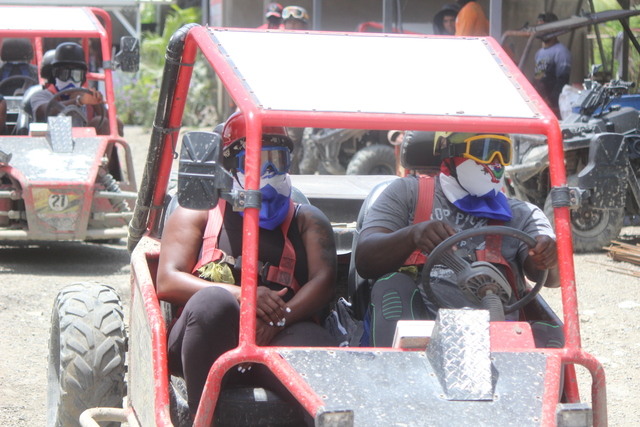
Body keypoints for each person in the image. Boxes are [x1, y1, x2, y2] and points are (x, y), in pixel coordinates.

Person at [157, 111, 338, 417]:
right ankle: (205, 420)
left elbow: (324, 282)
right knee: (211, 302)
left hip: (279, 333)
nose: (269, 171)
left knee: (317, 343)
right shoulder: (198, 212)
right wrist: (244, 296)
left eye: (277, 161)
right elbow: (167, 280)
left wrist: (279, 319)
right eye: (254, 161)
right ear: (230, 168)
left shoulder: (306, 219)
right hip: (207, 339)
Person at [355, 132, 562, 348]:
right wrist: (412, 236)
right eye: (484, 150)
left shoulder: (523, 213)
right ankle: (397, 372)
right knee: (392, 285)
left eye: (503, 152)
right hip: (421, 334)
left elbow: (551, 279)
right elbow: (365, 261)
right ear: (450, 152)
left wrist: (547, 256)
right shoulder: (407, 193)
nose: (495, 161)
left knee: (553, 334)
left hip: (496, 337)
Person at [29, 42, 122, 135]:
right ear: (55, 74)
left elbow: (117, 126)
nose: (70, 80)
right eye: (64, 74)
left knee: (105, 122)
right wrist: (78, 101)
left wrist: (97, 103)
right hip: (49, 143)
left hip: (85, 145)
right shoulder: (41, 95)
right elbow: (45, 110)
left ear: (82, 78)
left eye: (76, 75)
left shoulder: (87, 96)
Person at [532, 12, 572, 118]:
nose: (542, 31)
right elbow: (538, 78)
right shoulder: (539, 53)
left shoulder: (561, 52)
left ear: (554, 29)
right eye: (539, 27)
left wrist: (550, 101)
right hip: (540, 105)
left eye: (545, 27)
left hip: (553, 108)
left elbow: (562, 81)